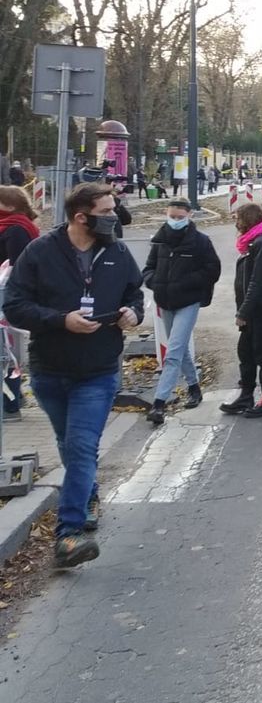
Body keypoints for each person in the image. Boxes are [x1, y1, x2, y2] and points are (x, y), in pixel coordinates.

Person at [3, 183, 143, 567]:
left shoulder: (116, 251)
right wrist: (60, 320)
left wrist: (134, 312)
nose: (114, 216)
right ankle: (88, 492)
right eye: (107, 210)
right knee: (68, 442)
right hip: (50, 370)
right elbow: (14, 306)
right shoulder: (41, 252)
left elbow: (135, 293)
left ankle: (68, 534)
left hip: (98, 370)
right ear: (82, 217)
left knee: (81, 445)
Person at [141, 197, 221, 425]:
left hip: (188, 301)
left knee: (173, 351)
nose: (175, 221)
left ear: (190, 216)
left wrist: (187, 283)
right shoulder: (159, 240)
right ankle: (194, 388)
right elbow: (149, 268)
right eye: (172, 217)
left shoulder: (200, 242)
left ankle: (158, 404)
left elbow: (212, 270)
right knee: (181, 346)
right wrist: (154, 282)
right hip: (165, 301)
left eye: (180, 217)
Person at [219, 203, 262, 418]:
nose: (236, 223)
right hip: (254, 309)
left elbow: (258, 282)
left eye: (238, 218)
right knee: (245, 352)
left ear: (247, 219)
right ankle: (246, 394)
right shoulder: (252, 242)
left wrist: (243, 313)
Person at [0, 186, 39, 418]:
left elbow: (16, 267)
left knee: (6, 350)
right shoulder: (11, 225)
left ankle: (10, 405)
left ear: (11, 206)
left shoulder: (16, 229)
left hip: (6, 297)